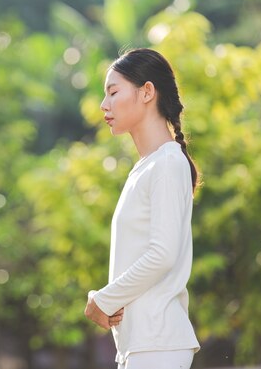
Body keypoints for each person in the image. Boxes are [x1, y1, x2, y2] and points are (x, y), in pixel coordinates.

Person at [84, 48, 200, 369]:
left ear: (147, 91)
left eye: (113, 92)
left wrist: (104, 300)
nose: (103, 105)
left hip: (157, 343)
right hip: (142, 346)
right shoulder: (148, 167)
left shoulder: (167, 162)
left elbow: (162, 254)